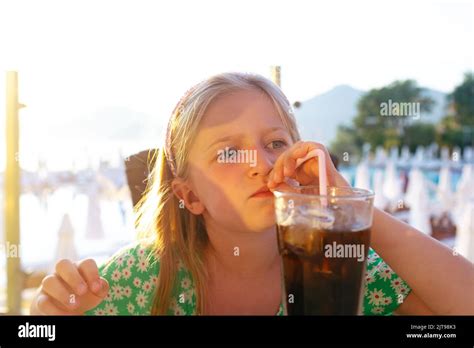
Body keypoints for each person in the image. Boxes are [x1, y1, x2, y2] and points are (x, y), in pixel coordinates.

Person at [30, 72, 474, 315]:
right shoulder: (138, 281)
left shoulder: (340, 271)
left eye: (276, 143)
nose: (261, 163)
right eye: (228, 152)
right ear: (190, 195)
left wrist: (351, 210)